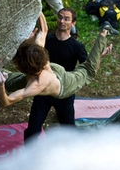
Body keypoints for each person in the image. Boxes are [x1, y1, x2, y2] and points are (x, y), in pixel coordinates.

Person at [0, 13, 117, 108]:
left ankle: (104, 32)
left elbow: (6, 102)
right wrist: (36, 3)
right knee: (9, 82)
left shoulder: (36, 85)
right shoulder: (38, 55)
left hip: (65, 83)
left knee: (88, 70)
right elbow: (43, 30)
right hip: (49, 69)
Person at [24, 8, 88, 141]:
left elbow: (87, 67)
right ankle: (29, 157)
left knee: (68, 131)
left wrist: (99, 56)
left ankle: (70, 157)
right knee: (32, 130)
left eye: (66, 19)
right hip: (43, 90)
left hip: (64, 92)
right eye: (60, 17)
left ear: (73, 23)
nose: (62, 21)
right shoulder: (46, 40)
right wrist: (28, 42)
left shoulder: (77, 46)